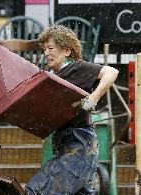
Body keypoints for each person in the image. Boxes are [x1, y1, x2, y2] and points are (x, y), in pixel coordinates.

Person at [25, 25, 119, 194]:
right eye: (44, 49)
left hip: (79, 144)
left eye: (51, 48)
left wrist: (94, 97)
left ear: (67, 51)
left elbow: (111, 72)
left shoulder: (75, 68)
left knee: (36, 190)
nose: (46, 53)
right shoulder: (54, 76)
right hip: (67, 144)